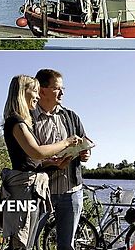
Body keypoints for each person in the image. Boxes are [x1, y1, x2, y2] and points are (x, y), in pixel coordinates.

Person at [1, 75, 82, 250]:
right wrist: (66, 142)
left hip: (30, 187)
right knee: (21, 243)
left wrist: (51, 163)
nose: (37, 97)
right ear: (23, 92)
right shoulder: (16, 121)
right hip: (24, 189)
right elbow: (36, 152)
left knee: (26, 242)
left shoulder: (20, 121)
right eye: (35, 91)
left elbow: (30, 161)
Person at [32, 68, 91, 250]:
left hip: (71, 192)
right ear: (42, 90)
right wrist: (49, 163)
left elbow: (85, 141)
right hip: (40, 193)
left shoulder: (71, 116)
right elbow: (27, 157)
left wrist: (85, 153)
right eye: (57, 88)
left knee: (67, 246)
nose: (62, 92)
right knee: (28, 241)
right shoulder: (28, 119)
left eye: (62, 88)